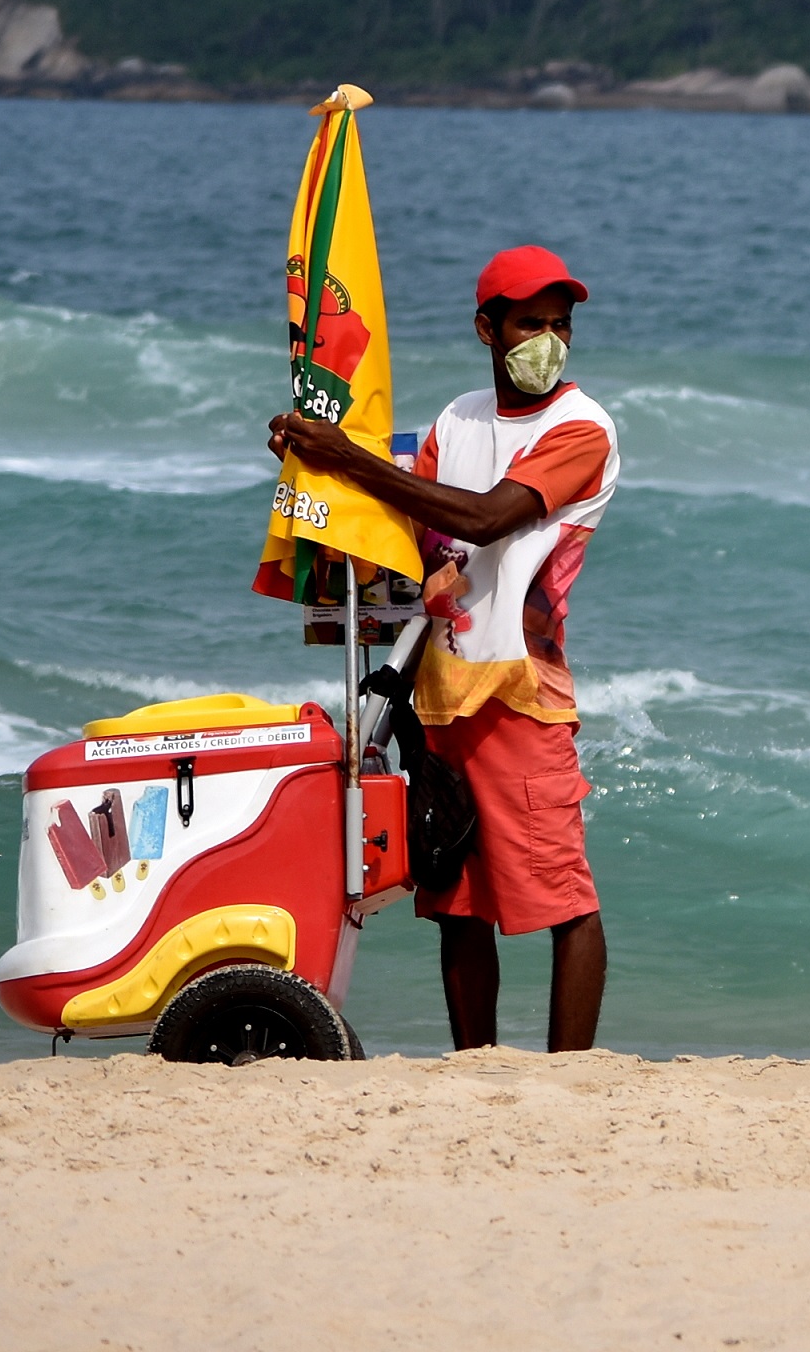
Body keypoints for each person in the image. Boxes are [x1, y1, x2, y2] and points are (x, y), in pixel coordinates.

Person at [267, 244, 620, 1051]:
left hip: (520, 693)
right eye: (529, 324)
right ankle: (474, 1064)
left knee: (562, 895)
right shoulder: (456, 421)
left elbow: (485, 518)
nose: (549, 341)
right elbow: (413, 523)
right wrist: (316, 469)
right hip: (436, 691)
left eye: (560, 325)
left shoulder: (581, 428)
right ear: (487, 330)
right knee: (456, 902)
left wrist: (347, 459)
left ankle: (569, 1074)